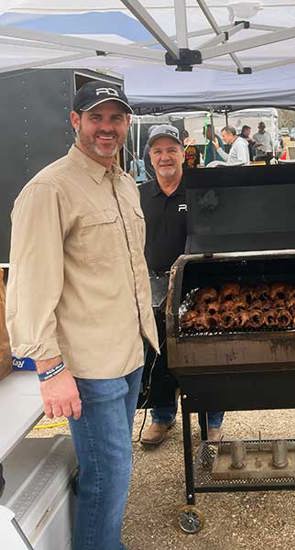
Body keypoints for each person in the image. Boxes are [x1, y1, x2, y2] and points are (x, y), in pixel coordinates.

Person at [6, 81, 159, 550]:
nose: (106, 128)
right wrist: (50, 369)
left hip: (129, 352)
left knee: (107, 469)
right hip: (88, 367)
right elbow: (28, 288)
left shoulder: (124, 183)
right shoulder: (48, 190)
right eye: (96, 118)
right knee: (108, 476)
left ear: (127, 124)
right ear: (75, 121)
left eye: (116, 118)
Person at [139, 124, 225, 446]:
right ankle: (162, 417)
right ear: (150, 156)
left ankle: (212, 420)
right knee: (158, 354)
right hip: (156, 288)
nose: (165, 157)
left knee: (206, 355)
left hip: (200, 287)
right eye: (158, 151)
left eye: (171, 150)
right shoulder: (141, 195)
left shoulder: (201, 191)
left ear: (183, 152)